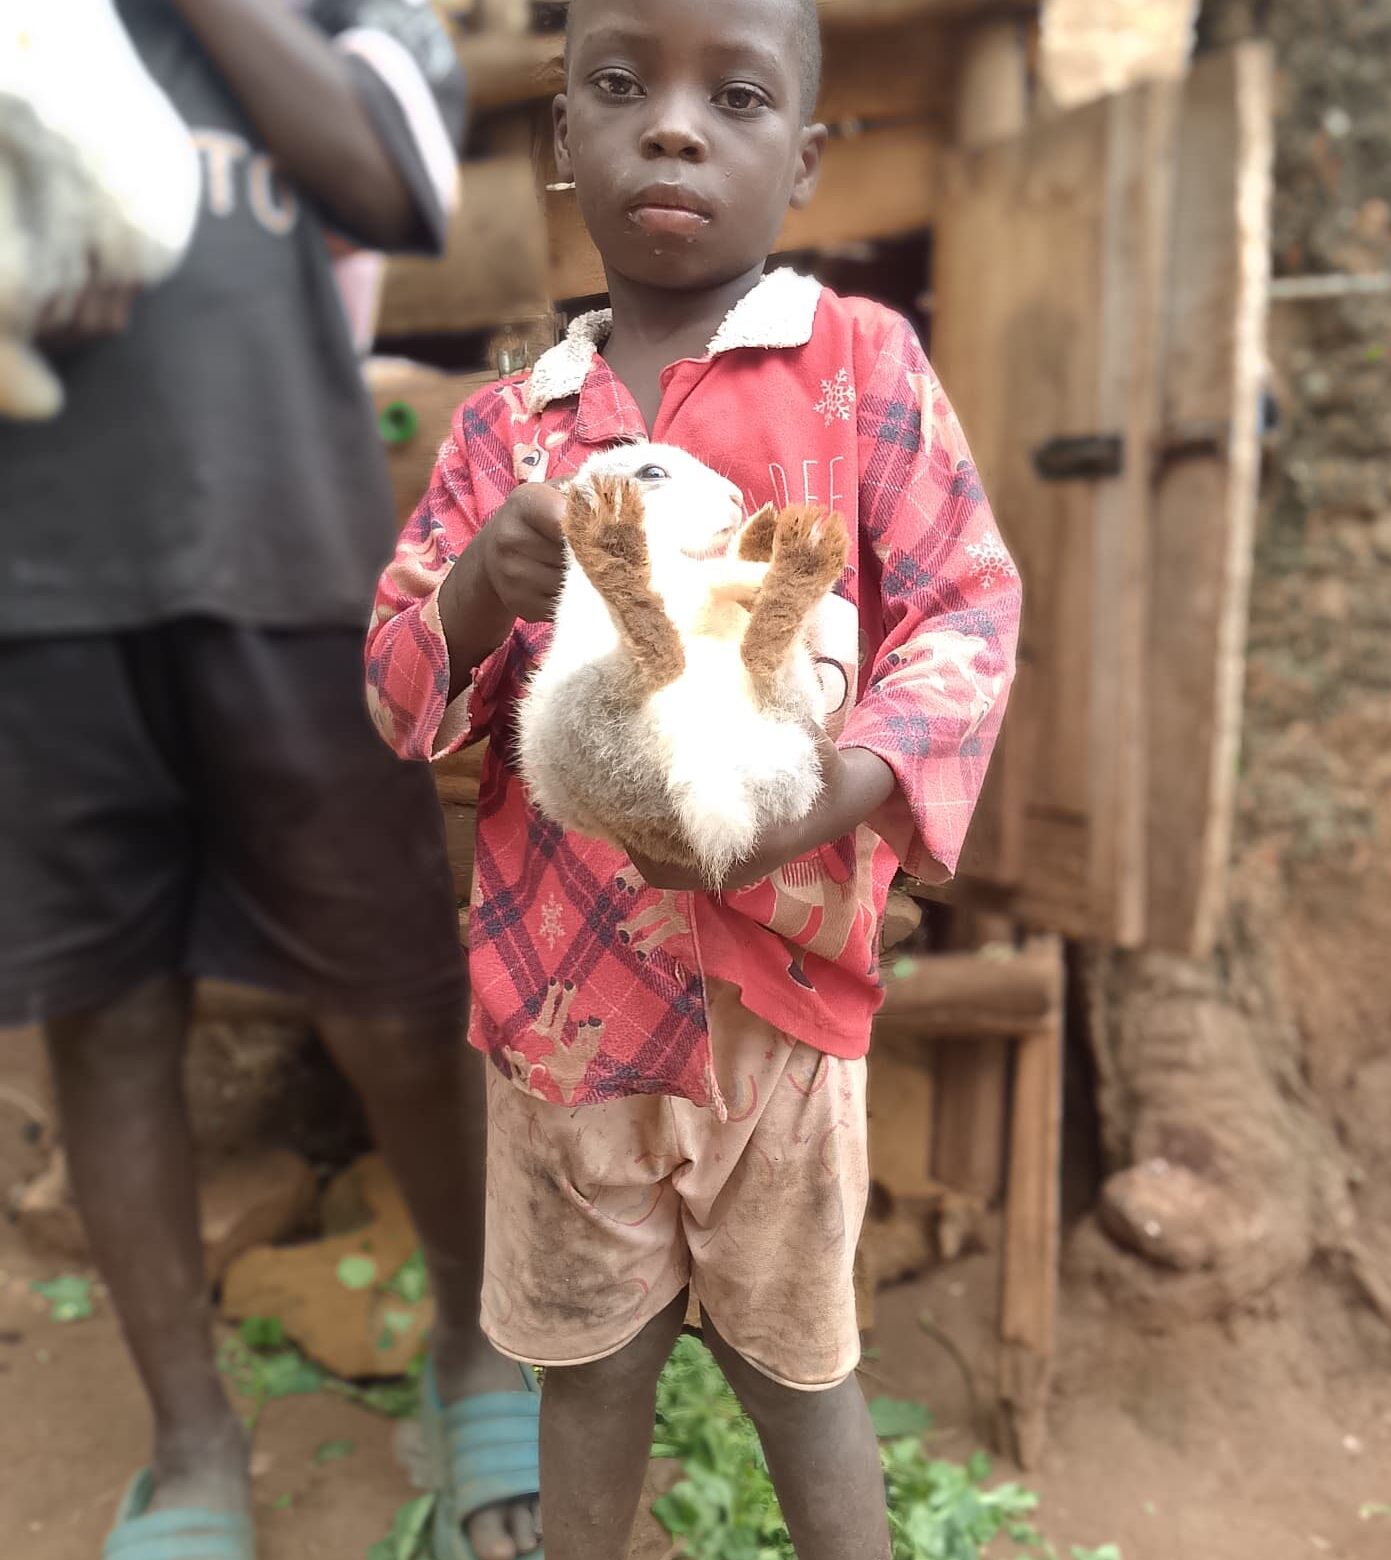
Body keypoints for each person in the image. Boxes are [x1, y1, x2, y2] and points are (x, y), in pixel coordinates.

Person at [365, 0, 1023, 1554]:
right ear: (562, 138)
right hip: (563, 1005)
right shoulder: (507, 435)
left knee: (800, 1375)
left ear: (803, 160)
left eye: (734, 96)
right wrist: (478, 591)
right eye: (620, 85)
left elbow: (967, 611)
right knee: (590, 1372)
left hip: (779, 1007)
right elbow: (396, 695)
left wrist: (827, 797)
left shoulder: (862, 369)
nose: (671, 125)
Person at [0, 3, 544, 1558]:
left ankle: (470, 1342)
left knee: (392, 999)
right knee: (105, 1020)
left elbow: (394, 181)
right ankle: (192, 1443)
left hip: (287, 566)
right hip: (33, 588)